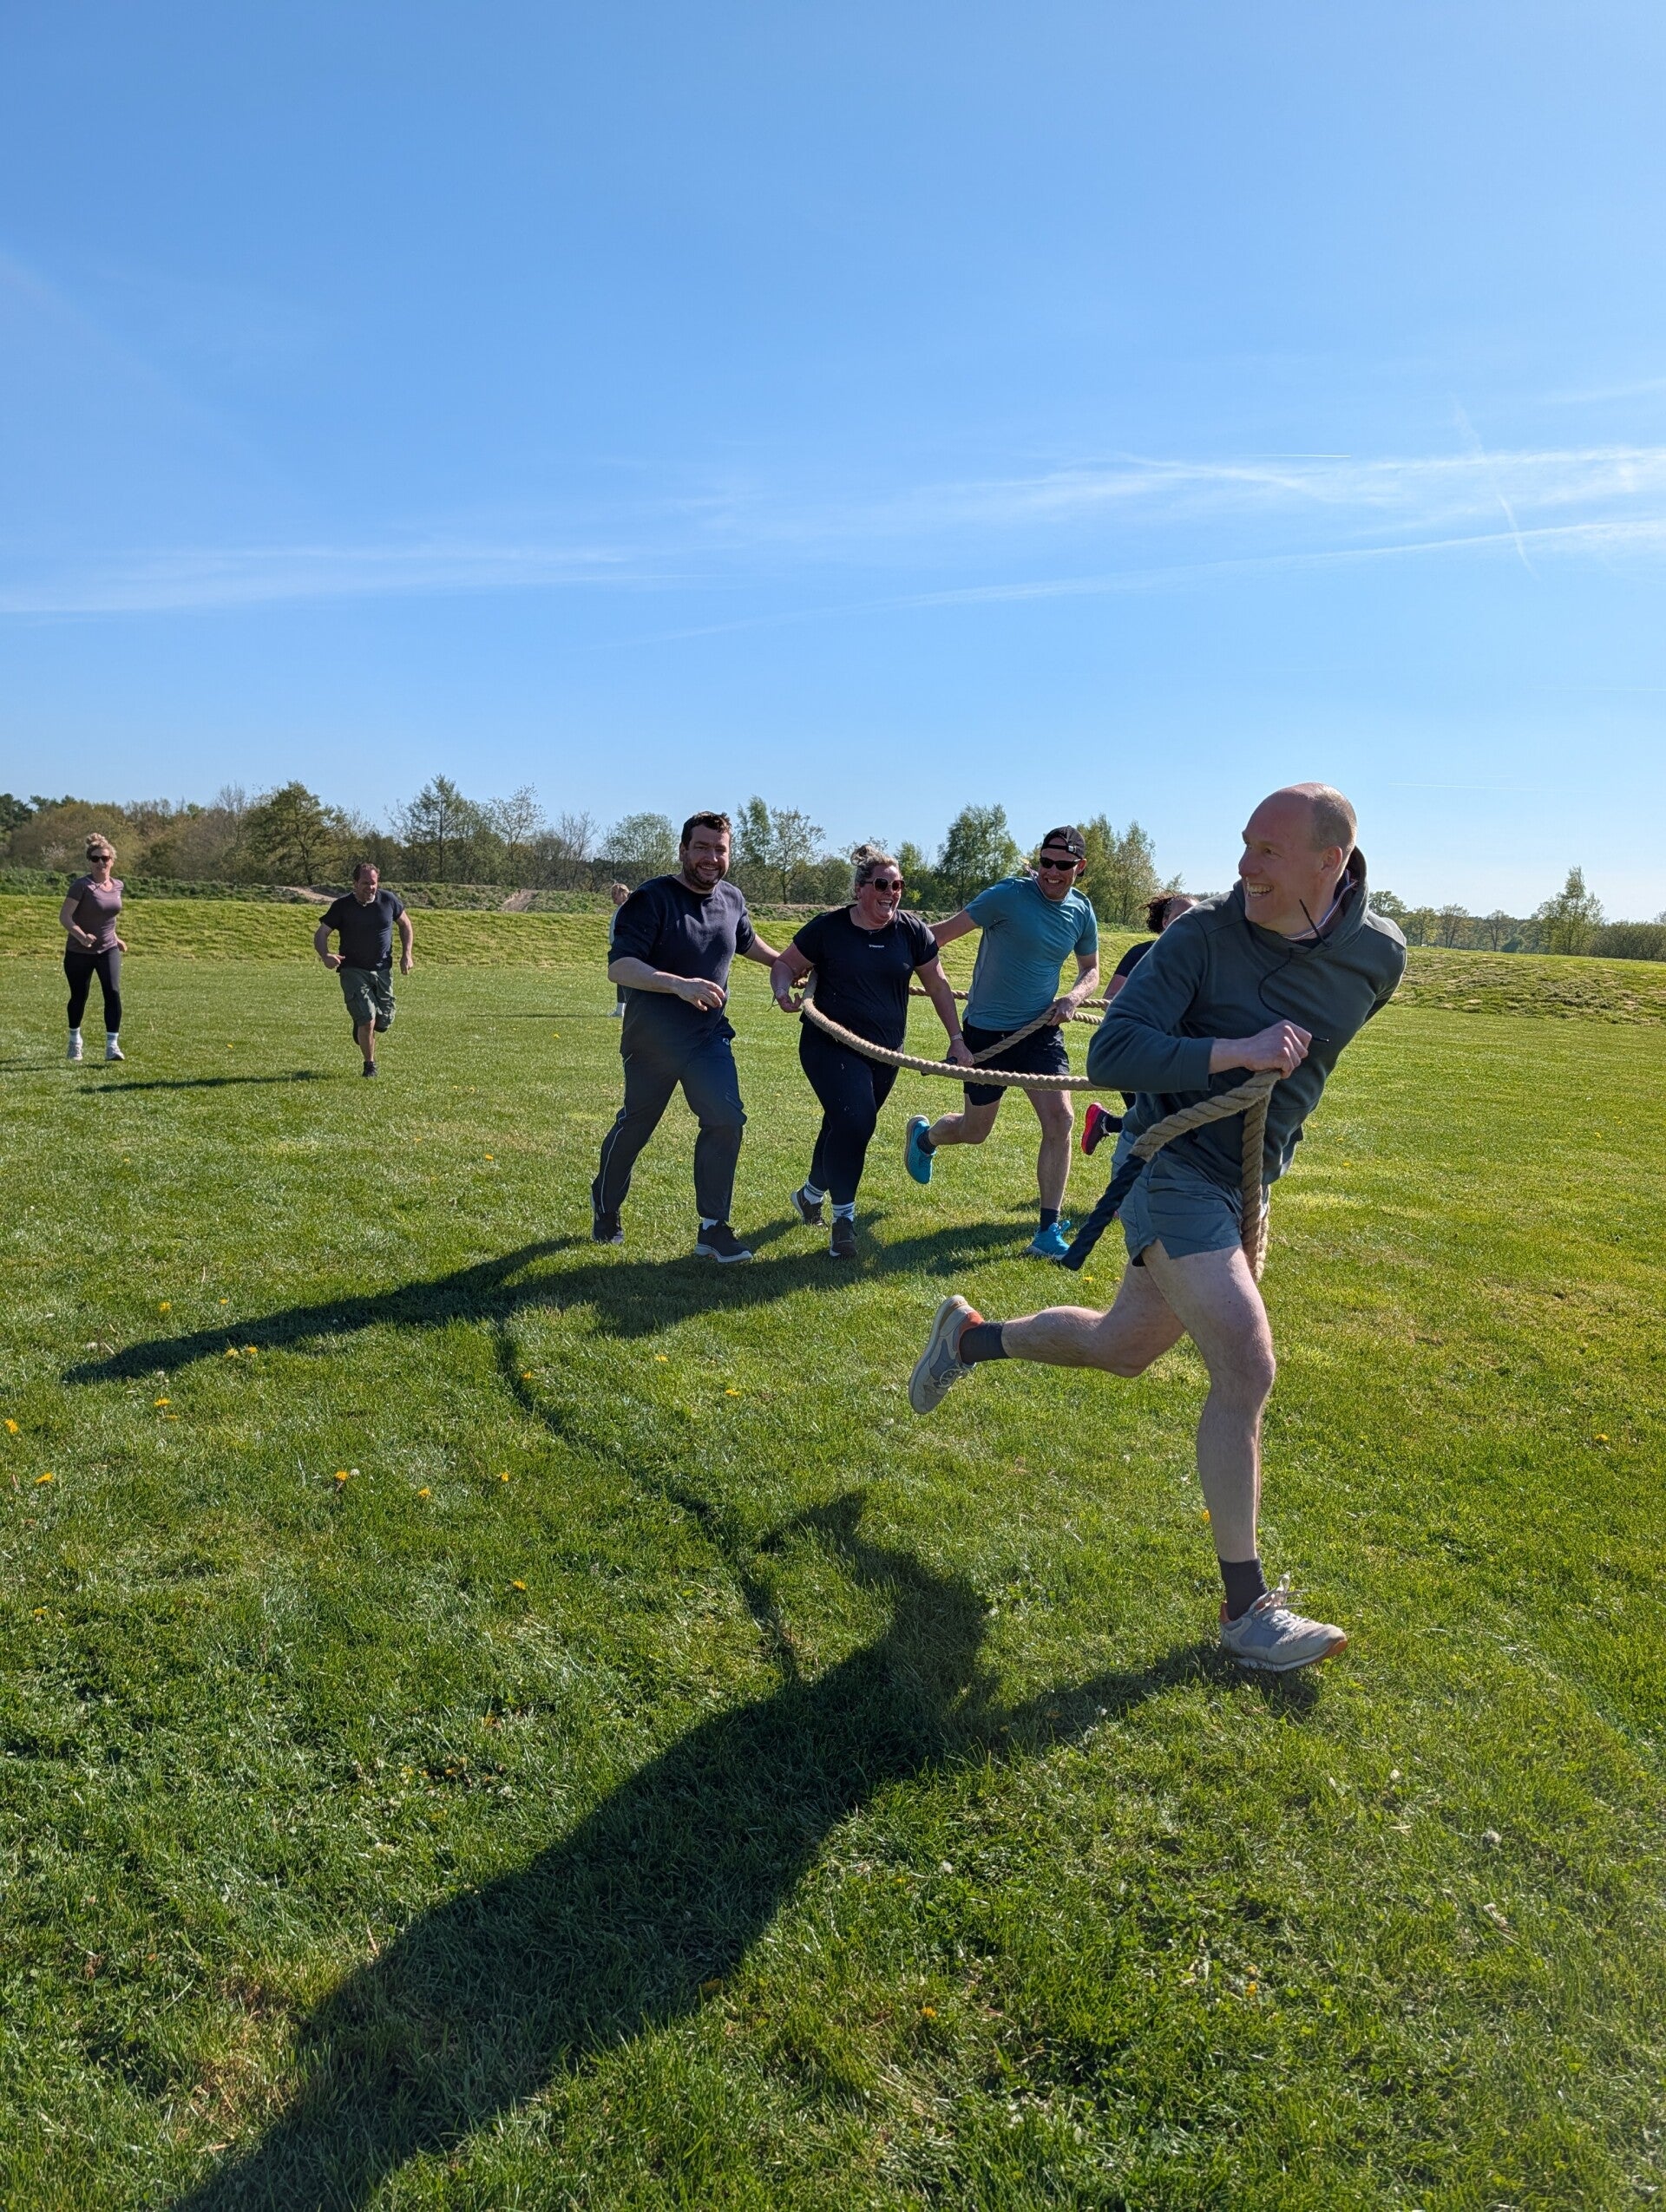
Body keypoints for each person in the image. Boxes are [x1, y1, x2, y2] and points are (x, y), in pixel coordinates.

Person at [906, 784, 1406, 1673]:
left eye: (1269, 853)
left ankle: (971, 1339)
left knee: (1122, 1345)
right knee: (1247, 1363)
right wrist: (1235, 1052)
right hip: (1167, 1163)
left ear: (1332, 864)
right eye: (1245, 845)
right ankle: (1248, 1609)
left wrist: (1267, 1127)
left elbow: (1320, 1051)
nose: (1245, 867)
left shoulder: (1379, 956)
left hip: (1244, 1181)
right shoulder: (1201, 937)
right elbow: (1113, 1054)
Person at [594, 811, 784, 1263]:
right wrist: (678, 983)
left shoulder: (732, 899)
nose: (711, 858)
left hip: (708, 1036)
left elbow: (749, 945)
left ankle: (713, 1228)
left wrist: (791, 968)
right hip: (653, 1041)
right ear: (683, 850)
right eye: (701, 848)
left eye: (720, 850)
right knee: (637, 1125)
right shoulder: (651, 899)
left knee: (726, 1118)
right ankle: (606, 1204)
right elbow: (619, 967)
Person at [904, 826, 1100, 1259]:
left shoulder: (1082, 911)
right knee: (975, 1132)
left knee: (1061, 1120)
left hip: (1040, 1033)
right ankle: (925, 1138)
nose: (1051, 872)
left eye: (1063, 865)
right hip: (987, 1032)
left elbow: (1091, 970)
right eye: (1046, 862)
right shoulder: (1007, 895)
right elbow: (937, 935)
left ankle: (1048, 1230)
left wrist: (1073, 996)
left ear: (1078, 868)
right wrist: (876, 954)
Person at [770, 847, 969, 1258]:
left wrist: (956, 1039)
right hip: (828, 1043)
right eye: (882, 884)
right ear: (860, 889)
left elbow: (937, 984)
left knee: (844, 1122)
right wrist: (781, 990)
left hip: (885, 1052)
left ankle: (810, 1195)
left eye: (897, 885)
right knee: (857, 1120)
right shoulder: (828, 929)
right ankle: (844, 1220)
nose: (891, 892)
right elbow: (785, 964)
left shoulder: (912, 932)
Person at [1081, 893, 1199, 1155]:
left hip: (1178, 1053)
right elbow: (1110, 998)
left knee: (1167, 1122)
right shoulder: (1142, 953)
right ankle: (1127, 1184)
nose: (1188, 923)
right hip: (1137, 1052)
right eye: (1181, 917)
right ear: (1166, 921)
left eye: (1194, 917)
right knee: (1156, 1122)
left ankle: (1106, 1123)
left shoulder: (1202, 959)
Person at [314, 862, 415, 1077]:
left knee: (384, 1020)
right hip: (353, 970)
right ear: (355, 884)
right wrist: (325, 955)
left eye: (374, 883)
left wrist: (407, 954)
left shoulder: (388, 900)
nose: (370, 888)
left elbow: (405, 924)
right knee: (368, 1018)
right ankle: (370, 1065)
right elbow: (321, 933)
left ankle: (361, 1025)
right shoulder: (342, 906)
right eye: (365, 883)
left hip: (383, 970)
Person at [60, 834, 128, 1063]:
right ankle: (75, 1041)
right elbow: (65, 917)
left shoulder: (118, 885)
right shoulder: (81, 886)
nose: (101, 863)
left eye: (105, 858)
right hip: (79, 952)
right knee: (79, 996)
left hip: (107, 949)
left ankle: (112, 1046)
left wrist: (116, 939)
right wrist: (81, 936)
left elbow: (107, 917)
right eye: (95, 859)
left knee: (113, 992)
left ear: (112, 861)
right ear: (89, 861)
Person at [607, 881, 630, 1016]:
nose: (613, 898)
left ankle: (623, 1009)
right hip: (617, 947)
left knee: (624, 978)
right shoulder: (621, 908)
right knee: (620, 979)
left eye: (615, 894)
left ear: (623, 893)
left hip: (623, 948)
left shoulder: (627, 908)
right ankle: (620, 1009)